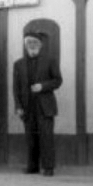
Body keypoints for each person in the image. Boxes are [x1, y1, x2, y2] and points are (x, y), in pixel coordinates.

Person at [13, 31, 62, 177]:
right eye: (29, 43)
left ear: (40, 45)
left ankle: (48, 167)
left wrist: (43, 86)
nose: (32, 45)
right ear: (25, 45)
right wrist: (18, 106)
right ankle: (32, 166)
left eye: (35, 43)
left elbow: (58, 80)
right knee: (30, 137)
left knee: (46, 137)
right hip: (27, 106)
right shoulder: (18, 64)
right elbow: (16, 88)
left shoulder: (50, 60)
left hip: (45, 106)